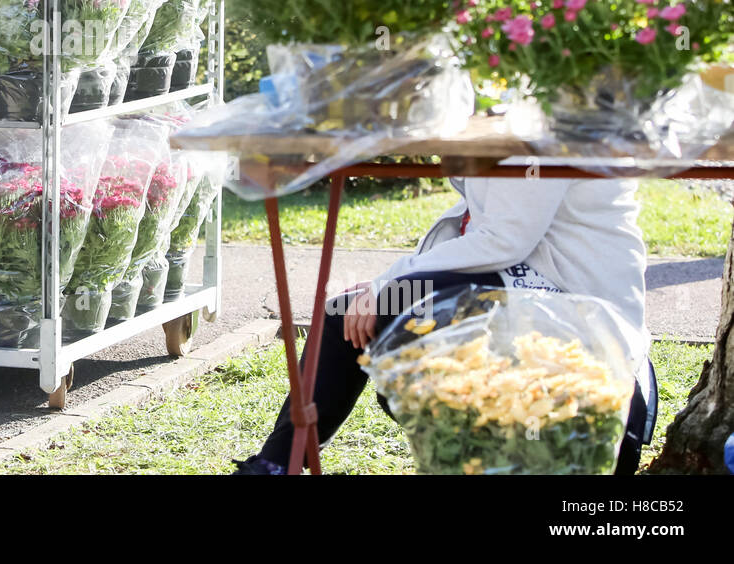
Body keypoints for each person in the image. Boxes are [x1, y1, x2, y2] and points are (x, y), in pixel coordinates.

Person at [232, 176, 654, 475]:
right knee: (347, 311)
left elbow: (504, 238)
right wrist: (388, 286)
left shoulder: (543, 110)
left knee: (395, 318)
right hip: (518, 283)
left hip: (574, 307)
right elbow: (485, 232)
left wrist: (388, 285)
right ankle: (274, 464)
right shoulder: (505, 105)